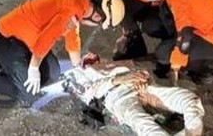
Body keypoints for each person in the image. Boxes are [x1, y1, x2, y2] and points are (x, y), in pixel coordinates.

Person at [0, 0, 125, 107]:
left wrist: (78, 68)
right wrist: (33, 69)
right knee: (28, 95)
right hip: (8, 38)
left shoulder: (80, 4)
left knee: (53, 75)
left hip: (28, 40)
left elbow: (72, 36)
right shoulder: (71, 9)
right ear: (97, 16)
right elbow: (46, 39)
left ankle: (11, 73)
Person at [63, 54, 204, 136]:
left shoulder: (115, 63)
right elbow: (88, 92)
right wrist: (119, 79)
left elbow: (143, 72)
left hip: (143, 89)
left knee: (189, 99)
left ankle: (193, 131)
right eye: (87, 59)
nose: (91, 57)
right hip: (118, 96)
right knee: (143, 124)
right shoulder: (81, 73)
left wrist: (152, 97)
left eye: (95, 57)